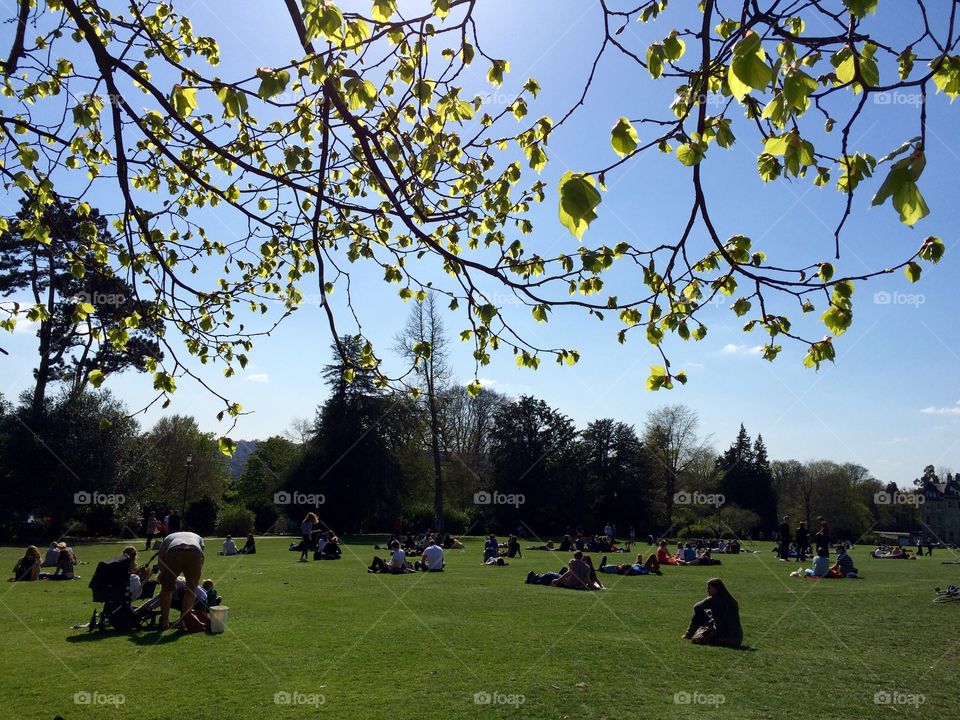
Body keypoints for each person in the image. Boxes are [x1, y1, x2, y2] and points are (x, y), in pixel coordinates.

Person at [156, 531, 205, 630]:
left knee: (166, 589)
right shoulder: (198, 537)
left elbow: (161, 558)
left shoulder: (168, 538)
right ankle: (183, 621)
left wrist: (163, 574)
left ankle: (165, 622)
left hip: (174, 551)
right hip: (194, 552)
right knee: (191, 589)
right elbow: (202, 557)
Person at [682, 578, 743, 648]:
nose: (707, 590)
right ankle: (689, 634)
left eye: (709, 588)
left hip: (723, 638)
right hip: (737, 639)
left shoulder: (712, 599)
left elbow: (696, 607)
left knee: (698, 613)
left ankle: (689, 634)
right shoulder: (733, 601)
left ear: (716, 589)